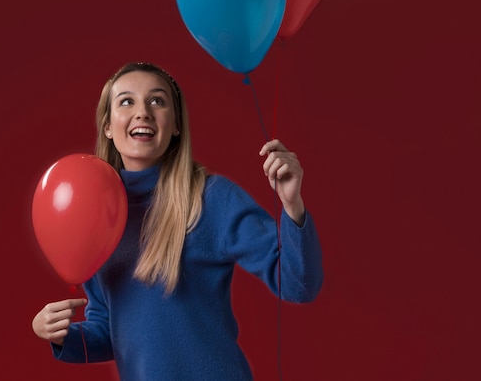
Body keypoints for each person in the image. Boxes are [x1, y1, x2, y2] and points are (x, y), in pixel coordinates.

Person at [32, 61, 323, 380]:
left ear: (176, 125)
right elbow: (108, 329)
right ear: (107, 126)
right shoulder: (92, 212)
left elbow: (298, 284)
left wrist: (292, 203)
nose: (142, 111)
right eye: (126, 101)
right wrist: (60, 335)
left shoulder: (211, 199)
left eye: (157, 100)